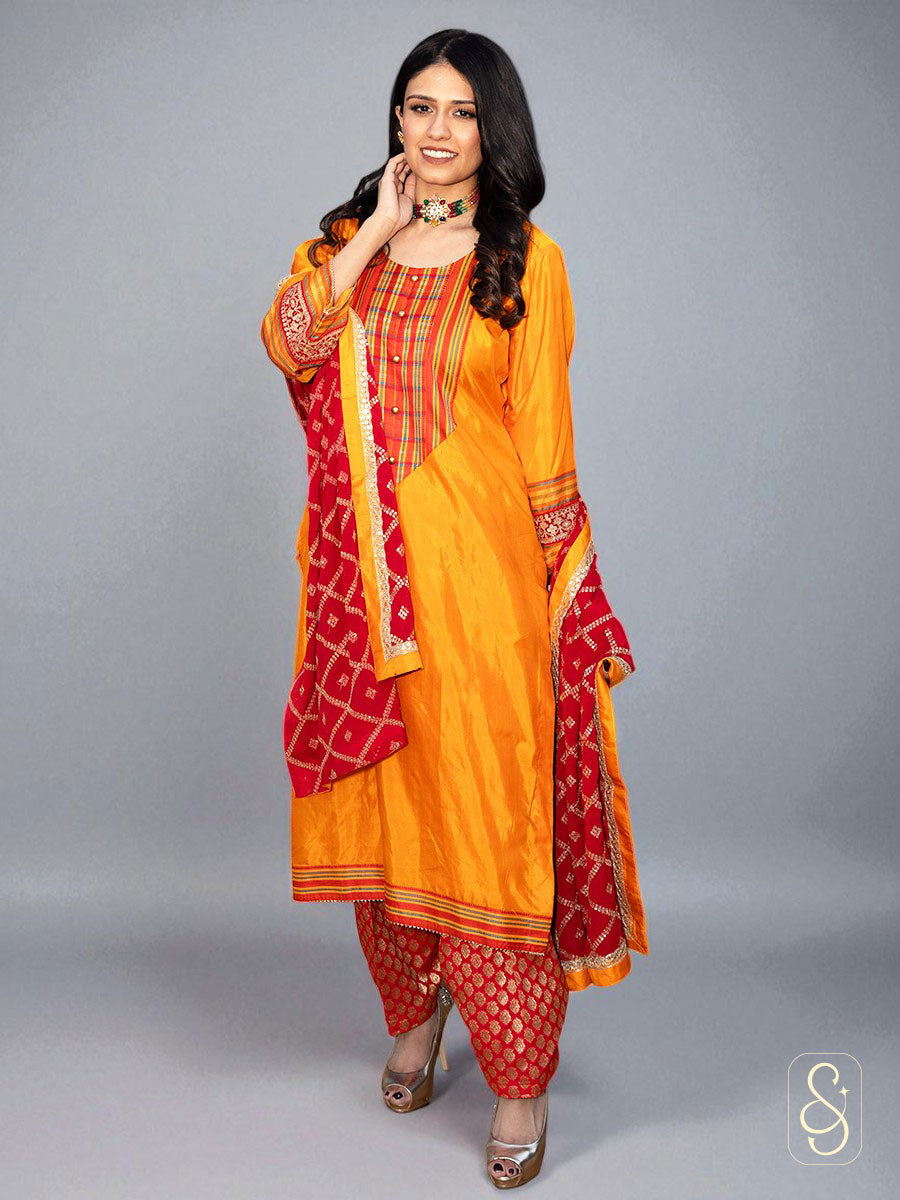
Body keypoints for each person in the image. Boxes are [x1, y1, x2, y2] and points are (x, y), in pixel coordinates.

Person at [260, 28, 648, 1189]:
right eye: (417, 107)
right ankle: (418, 1018)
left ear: (496, 133)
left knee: (483, 825)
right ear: (395, 122)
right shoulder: (343, 249)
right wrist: (375, 231)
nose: (434, 131)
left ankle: (518, 1075)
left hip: (482, 607)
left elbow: (545, 456)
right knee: (389, 827)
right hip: (355, 603)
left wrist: (570, 605)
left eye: (461, 113)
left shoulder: (531, 264)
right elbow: (285, 341)